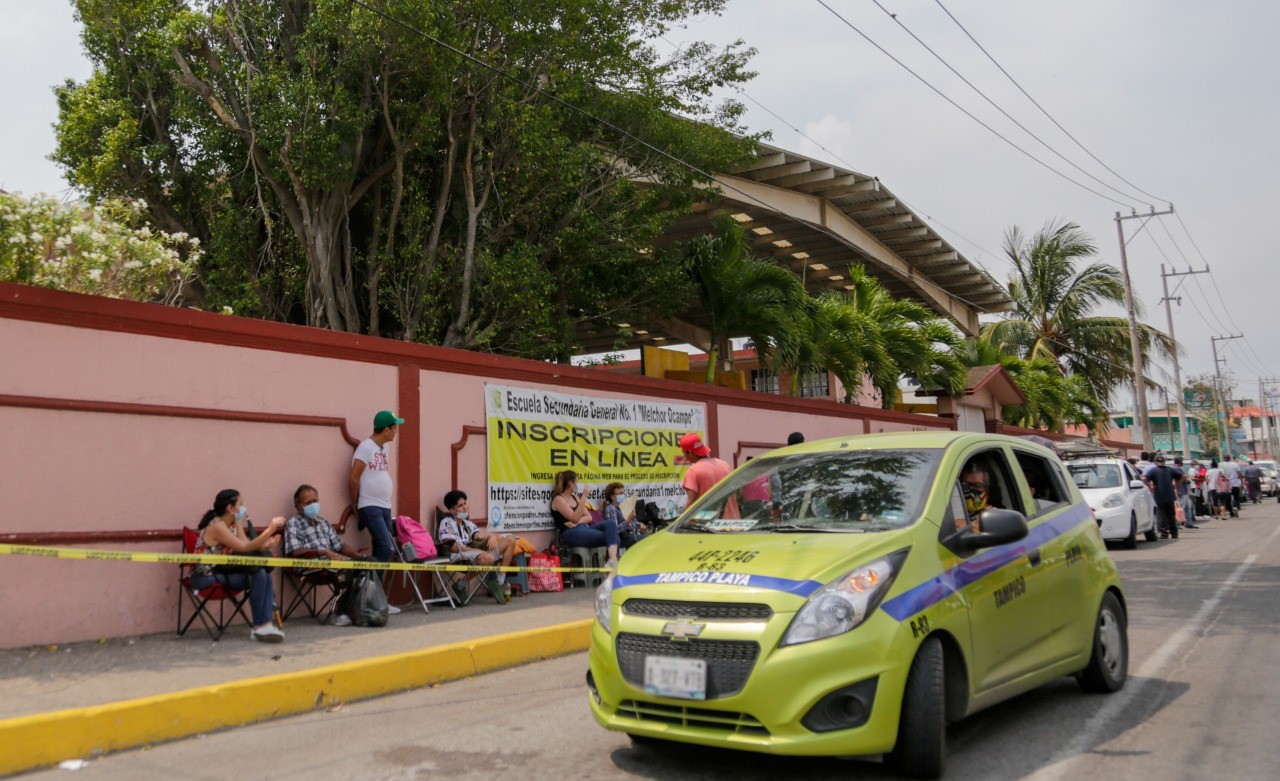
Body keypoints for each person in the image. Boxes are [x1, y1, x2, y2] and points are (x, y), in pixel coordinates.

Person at [192, 489, 286, 643]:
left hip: (224, 571)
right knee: (259, 573)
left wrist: (264, 547)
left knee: (263, 573)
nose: (243, 509)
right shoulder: (217, 526)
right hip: (206, 577)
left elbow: (247, 546)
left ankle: (265, 624)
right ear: (230, 508)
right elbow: (244, 549)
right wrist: (270, 529)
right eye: (240, 505)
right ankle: (259, 626)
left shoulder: (234, 524)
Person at [283, 484, 367, 627]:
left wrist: (356, 555)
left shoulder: (323, 523)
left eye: (315, 501)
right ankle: (338, 613)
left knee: (368, 563)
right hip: (308, 565)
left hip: (330, 562)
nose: (313, 505)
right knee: (343, 571)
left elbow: (339, 545)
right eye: (308, 503)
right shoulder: (293, 524)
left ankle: (362, 608)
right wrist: (322, 552)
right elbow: (294, 552)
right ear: (297, 506)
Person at [438, 490, 514, 603]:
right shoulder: (446, 523)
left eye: (465, 503)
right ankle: (460, 585)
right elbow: (453, 547)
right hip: (459, 554)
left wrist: (490, 537)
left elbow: (479, 538)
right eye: (460, 506)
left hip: (475, 553)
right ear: (452, 510)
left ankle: (499, 582)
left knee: (510, 541)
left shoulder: (468, 524)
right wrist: (477, 550)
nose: (465, 507)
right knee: (488, 558)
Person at [551, 470, 619, 568]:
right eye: (576, 481)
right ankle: (611, 565)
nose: (577, 484)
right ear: (571, 483)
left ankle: (612, 560)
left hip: (583, 528)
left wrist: (577, 522)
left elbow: (589, 517)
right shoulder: (559, 500)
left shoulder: (574, 497)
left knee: (610, 524)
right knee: (614, 538)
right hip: (571, 533)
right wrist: (583, 497)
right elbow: (574, 517)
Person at [679, 432, 737, 517]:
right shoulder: (725, 465)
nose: (685, 457)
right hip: (734, 524)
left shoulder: (693, 471)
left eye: (684, 453)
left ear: (690, 453)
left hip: (711, 527)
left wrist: (680, 524)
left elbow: (691, 503)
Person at [1144, 454, 1184, 539]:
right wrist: (1177, 485)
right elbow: (1182, 476)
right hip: (1170, 495)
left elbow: (1144, 478)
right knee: (1171, 515)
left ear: (1155, 462)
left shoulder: (1153, 470)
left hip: (1159, 495)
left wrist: (1148, 487)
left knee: (1162, 515)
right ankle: (1174, 533)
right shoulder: (1170, 469)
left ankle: (1164, 533)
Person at [601, 481, 650, 547]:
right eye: (620, 493)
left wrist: (638, 525)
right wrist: (628, 521)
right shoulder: (611, 509)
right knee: (648, 540)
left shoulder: (623, 506)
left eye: (623, 493)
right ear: (612, 496)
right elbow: (614, 530)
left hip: (631, 534)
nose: (623, 495)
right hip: (621, 538)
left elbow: (632, 522)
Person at [1173, 457, 1199, 529]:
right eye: (1182, 461)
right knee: (1181, 508)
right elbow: (1183, 478)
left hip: (1184, 491)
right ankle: (1179, 523)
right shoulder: (1176, 469)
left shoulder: (1178, 469)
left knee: (1188, 508)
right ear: (1179, 462)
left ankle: (1188, 523)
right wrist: (1181, 483)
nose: (1183, 463)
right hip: (1181, 491)